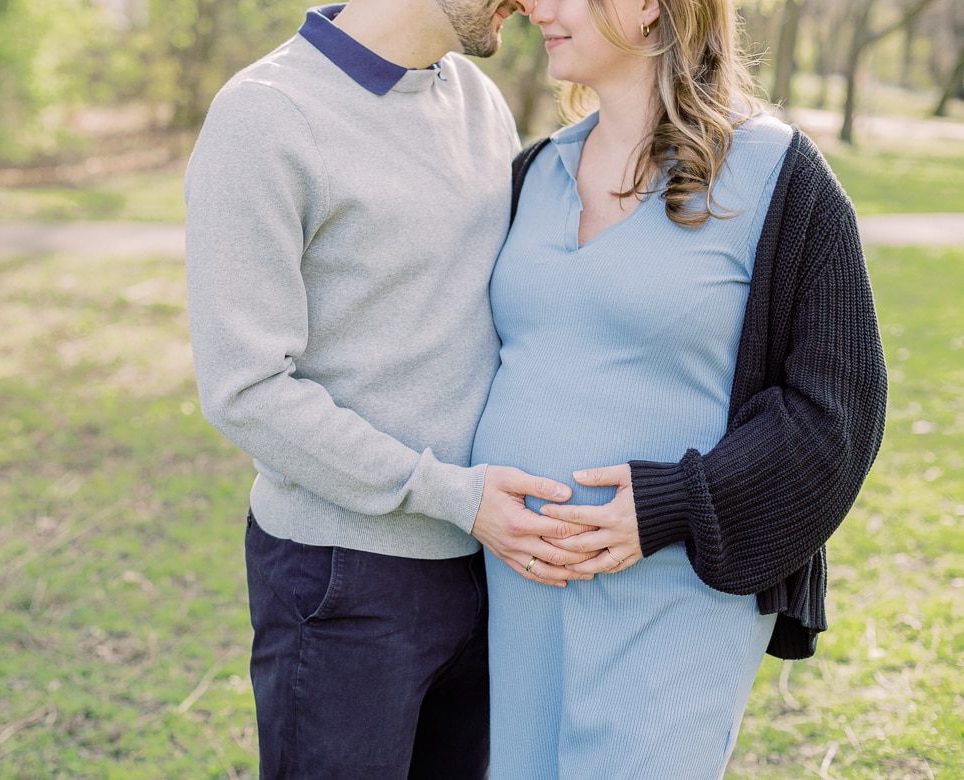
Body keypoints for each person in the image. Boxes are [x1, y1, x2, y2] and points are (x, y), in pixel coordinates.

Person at [470, 0, 888, 777]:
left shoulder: (778, 175)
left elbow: (839, 413)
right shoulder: (532, 172)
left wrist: (674, 504)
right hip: (519, 590)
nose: (535, 6)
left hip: (675, 592)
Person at [183, 1, 595, 777]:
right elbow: (246, 388)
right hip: (345, 578)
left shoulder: (476, 99)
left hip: (486, 562)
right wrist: (445, 492)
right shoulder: (264, 116)